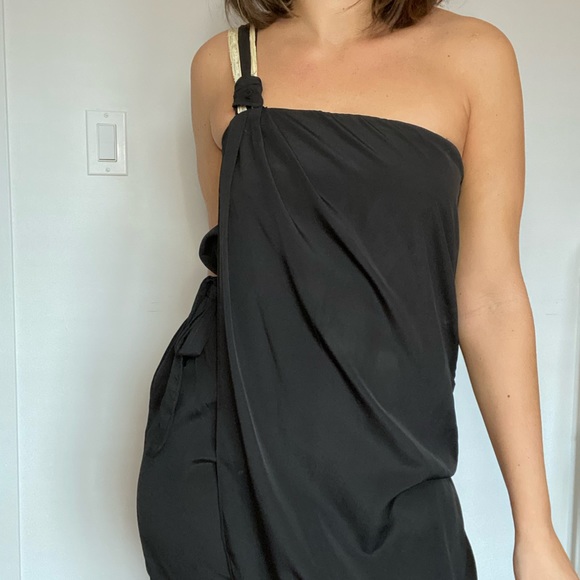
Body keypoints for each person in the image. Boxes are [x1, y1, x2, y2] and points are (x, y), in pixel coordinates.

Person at [136, 1, 579, 579]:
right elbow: (244, 270)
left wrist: (536, 529)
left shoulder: (474, 55)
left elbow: (490, 295)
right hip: (228, 465)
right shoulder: (221, 66)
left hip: (397, 465)